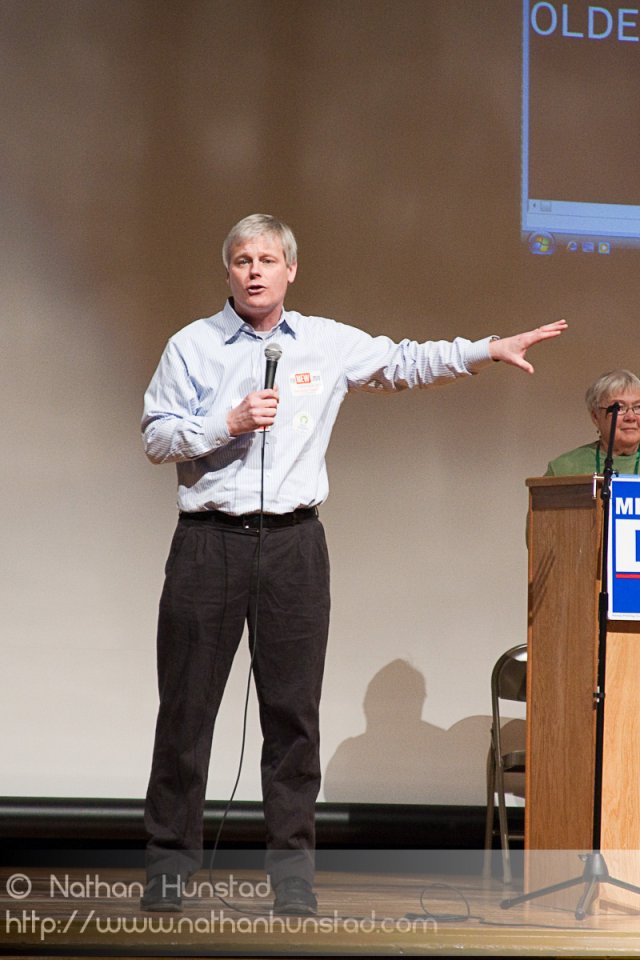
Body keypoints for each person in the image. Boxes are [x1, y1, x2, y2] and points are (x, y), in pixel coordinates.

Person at [139, 213, 567, 917]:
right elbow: (156, 436)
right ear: (228, 273)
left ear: (290, 271)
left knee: (292, 719)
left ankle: (293, 879)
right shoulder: (192, 346)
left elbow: (405, 363)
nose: (254, 271)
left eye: (267, 259)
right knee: (186, 714)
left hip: (294, 547)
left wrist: (488, 349)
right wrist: (228, 423)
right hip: (207, 543)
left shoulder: (328, 343)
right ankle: (168, 870)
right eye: (242, 260)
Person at [545, 370, 640, 477]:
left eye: (638, 407)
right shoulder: (564, 468)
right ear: (596, 417)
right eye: (619, 408)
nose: (631, 417)